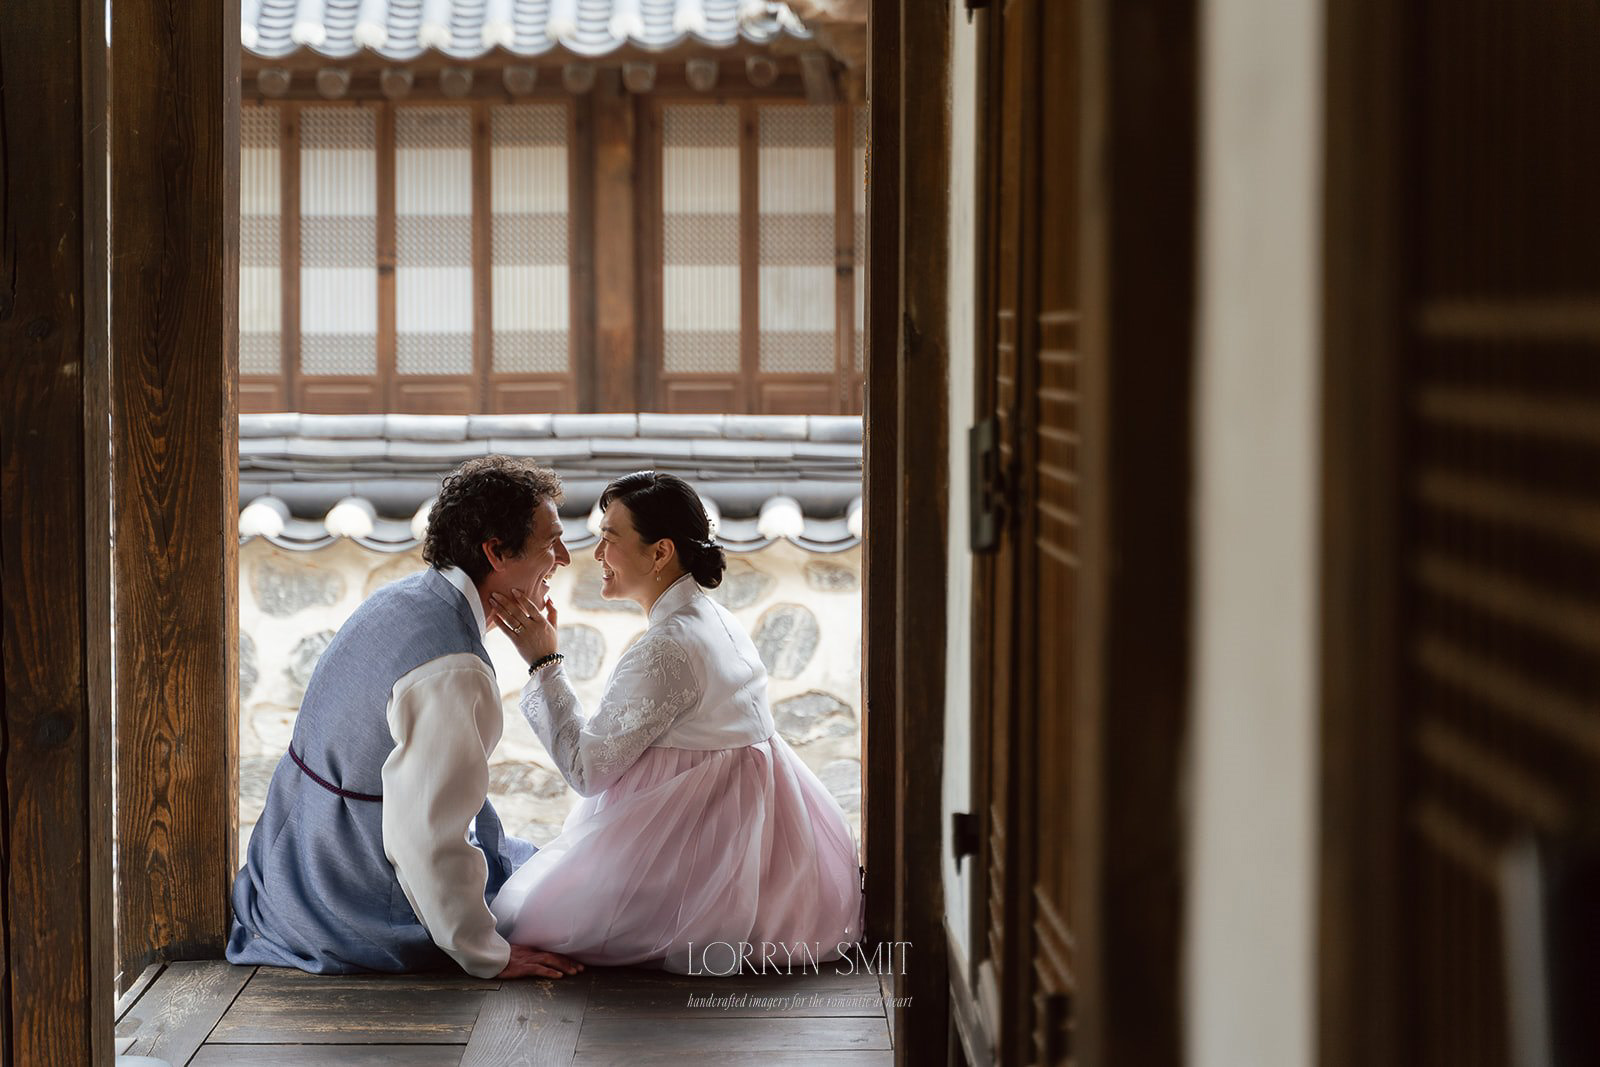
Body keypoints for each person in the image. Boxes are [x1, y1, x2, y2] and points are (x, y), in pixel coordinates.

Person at [487, 470, 864, 974]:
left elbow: (586, 771)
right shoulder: (713, 619)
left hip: (698, 858)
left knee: (520, 919)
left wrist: (543, 661)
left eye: (609, 539)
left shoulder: (668, 646)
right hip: (755, 852)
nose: (596, 555)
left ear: (660, 552)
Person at [227, 456, 584, 980]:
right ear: (496, 553)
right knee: (578, 904)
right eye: (550, 542)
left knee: (555, 869)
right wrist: (487, 953)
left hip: (296, 869)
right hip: (358, 900)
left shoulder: (402, 599)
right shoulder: (452, 666)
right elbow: (426, 838)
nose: (565, 558)